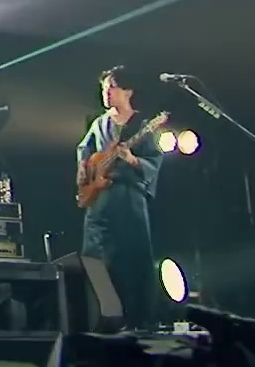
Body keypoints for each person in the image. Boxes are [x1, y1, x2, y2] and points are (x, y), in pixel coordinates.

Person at [76, 66, 164, 331]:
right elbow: (84, 150)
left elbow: (153, 160)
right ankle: (102, 318)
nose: (107, 93)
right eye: (104, 88)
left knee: (134, 256)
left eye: (112, 87)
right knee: (95, 256)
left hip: (129, 197)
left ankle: (138, 320)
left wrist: (132, 159)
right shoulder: (99, 123)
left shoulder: (144, 125)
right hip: (100, 198)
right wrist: (83, 169)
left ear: (128, 91)